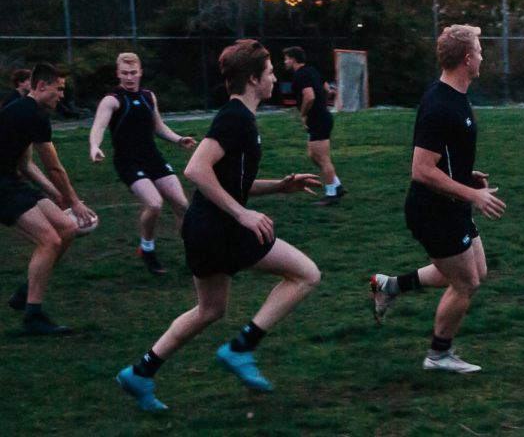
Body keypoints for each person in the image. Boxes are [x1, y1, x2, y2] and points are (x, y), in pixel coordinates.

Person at [116, 39, 322, 411]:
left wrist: (280, 186)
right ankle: (242, 349)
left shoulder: (241, 117)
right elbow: (196, 169)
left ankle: (141, 373)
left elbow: (229, 183)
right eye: (271, 71)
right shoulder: (235, 117)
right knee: (306, 274)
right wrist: (242, 214)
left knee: (209, 310)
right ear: (254, 77)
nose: (275, 76)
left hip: (203, 227)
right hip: (220, 228)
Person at [370, 25, 506, 373]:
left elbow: (443, 158)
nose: (482, 55)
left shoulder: (456, 96)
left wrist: (465, 175)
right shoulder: (440, 104)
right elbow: (421, 170)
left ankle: (389, 286)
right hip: (432, 211)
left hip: (451, 203)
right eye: (478, 50)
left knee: (477, 271)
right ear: (466, 58)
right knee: (465, 282)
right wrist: (473, 194)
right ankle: (438, 355)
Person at [1, 63, 97, 335]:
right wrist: (74, 201)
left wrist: (57, 195)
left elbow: (26, 165)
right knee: (49, 240)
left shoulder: (24, 111)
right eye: (59, 89)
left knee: (67, 229)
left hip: (11, 181)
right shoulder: (33, 115)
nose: (62, 95)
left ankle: (26, 291)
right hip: (2, 186)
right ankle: (33, 317)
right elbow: (54, 167)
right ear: (41, 86)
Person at [89, 53, 196, 274]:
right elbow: (99, 126)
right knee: (154, 204)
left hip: (152, 157)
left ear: (140, 72)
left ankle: (193, 254)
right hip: (128, 161)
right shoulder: (112, 100)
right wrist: (94, 146)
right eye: (124, 74)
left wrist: (178, 139)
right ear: (118, 74)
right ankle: (147, 248)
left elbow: (158, 126)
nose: (129, 78)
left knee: (183, 206)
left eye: (133, 73)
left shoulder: (149, 97)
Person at [283, 46, 346, 206]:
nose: (285, 62)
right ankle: (336, 185)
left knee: (323, 159)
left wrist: (304, 113)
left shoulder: (300, 75)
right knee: (313, 155)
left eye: (286, 58)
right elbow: (326, 89)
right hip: (321, 118)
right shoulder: (312, 70)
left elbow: (309, 97)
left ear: (293, 59)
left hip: (318, 119)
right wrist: (321, 106)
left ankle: (331, 195)